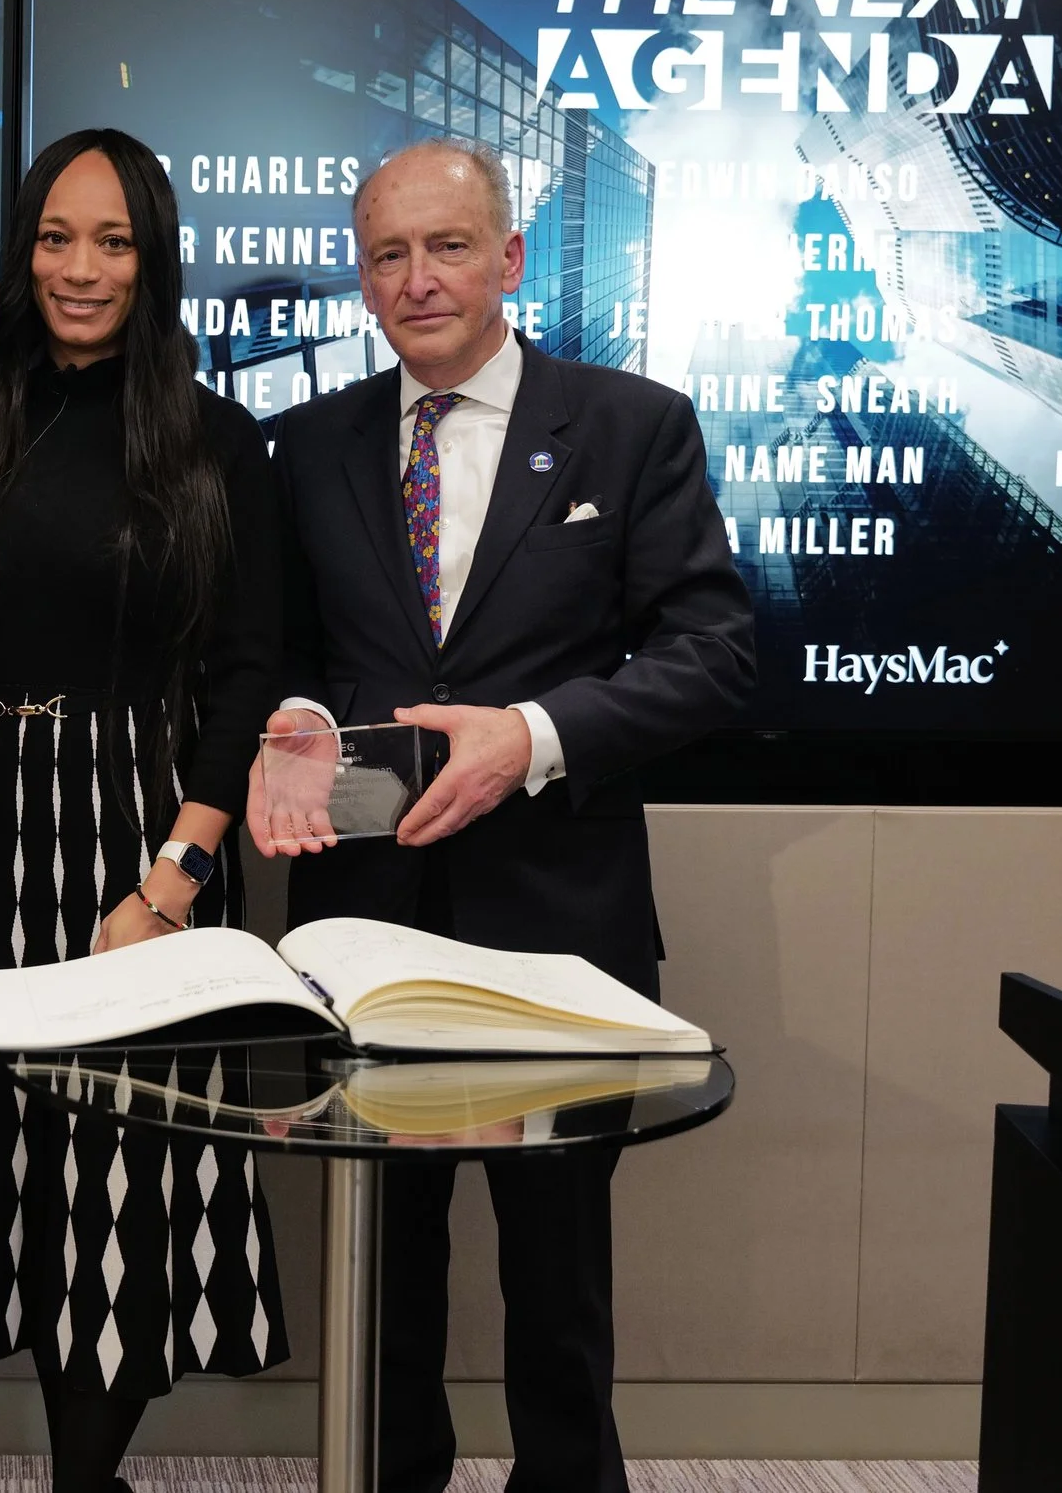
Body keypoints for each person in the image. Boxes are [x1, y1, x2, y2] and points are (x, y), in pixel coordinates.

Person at [250, 139, 756, 1493]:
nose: (417, 280)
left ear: (512, 259)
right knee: (382, 1276)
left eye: (449, 246)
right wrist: (294, 720)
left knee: (557, 1283)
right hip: (364, 924)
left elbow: (713, 651)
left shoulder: (632, 424)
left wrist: (532, 736)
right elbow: (286, 653)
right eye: (387, 254)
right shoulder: (305, 444)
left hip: (556, 932)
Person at [0, 128, 291, 1493]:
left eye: (113, 240)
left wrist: (174, 877)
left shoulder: (219, 441)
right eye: (58, 236)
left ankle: (83, 1478)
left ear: (155, 257)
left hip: (141, 839)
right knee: (24, 1166)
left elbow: (244, 681)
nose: (81, 266)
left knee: (126, 1170)